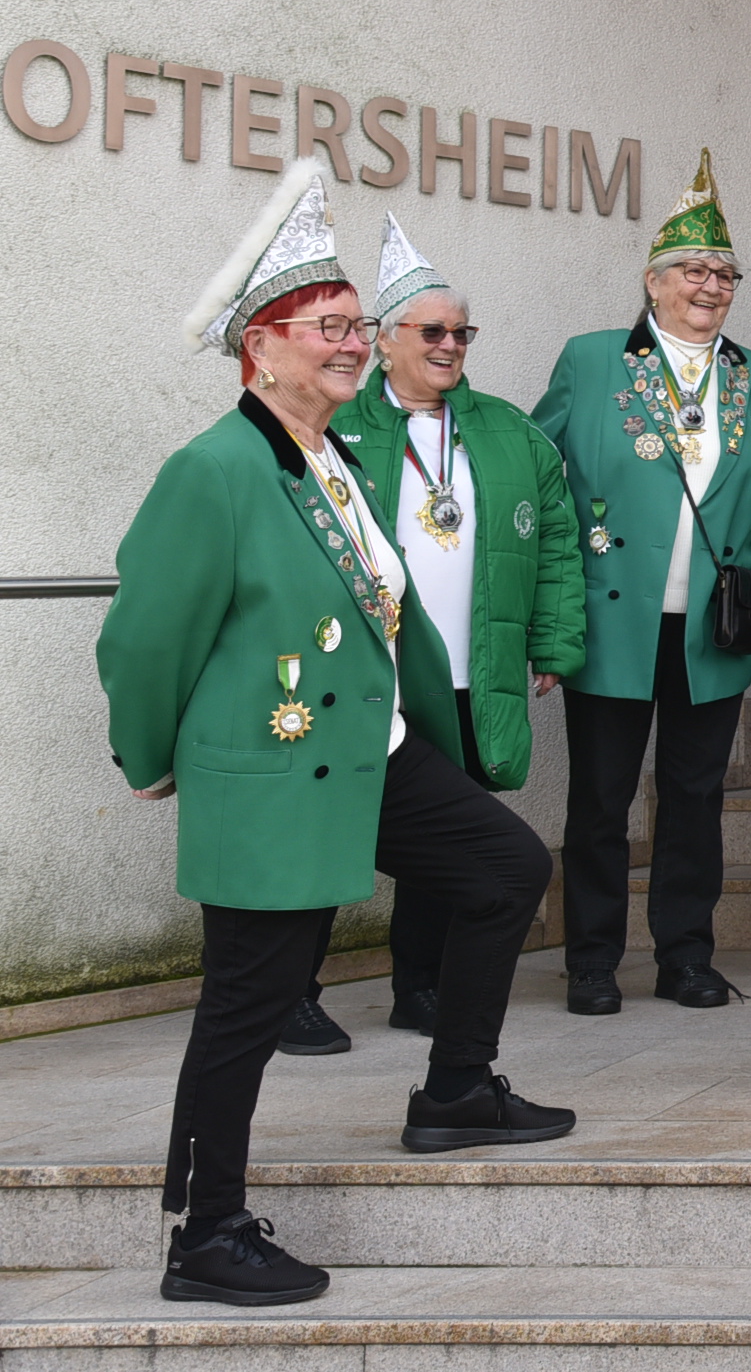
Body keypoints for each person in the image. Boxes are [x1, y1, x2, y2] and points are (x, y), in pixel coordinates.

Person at [104, 159, 569, 1307]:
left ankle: (454, 1089)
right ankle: (204, 1232)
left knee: (506, 867)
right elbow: (143, 639)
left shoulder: (334, 455)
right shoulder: (215, 469)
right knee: (247, 1006)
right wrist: (149, 756)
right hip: (273, 772)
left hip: (373, 752)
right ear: (261, 347)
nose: (354, 343)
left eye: (359, 324)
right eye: (330, 326)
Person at [295, 215, 585, 1044]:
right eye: (433, 331)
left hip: (465, 671)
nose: (451, 345)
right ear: (384, 341)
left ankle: (419, 986)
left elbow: (557, 537)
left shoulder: (508, 429)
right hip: (363, 678)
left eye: (462, 332)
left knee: (443, 841)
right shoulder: (335, 426)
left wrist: (554, 641)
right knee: (328, 827)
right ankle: (291, 992)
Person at [534, 150, 751, 1016]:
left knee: (694, 799)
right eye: (693, 270)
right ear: (653, 281)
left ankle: (686, 957)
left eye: (725, 273)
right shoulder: (593, 360)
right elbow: (542, 473)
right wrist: (552, 605)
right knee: (600, 801)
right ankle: (591, 962)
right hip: (612, 620)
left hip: (711, 628)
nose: (710, 286)